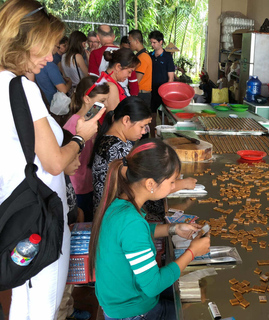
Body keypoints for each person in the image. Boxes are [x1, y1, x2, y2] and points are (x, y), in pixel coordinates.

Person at [0, 1, 105, 319]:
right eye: (44, 50)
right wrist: (80, 137)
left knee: (23, 301)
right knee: (43, 308)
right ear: (23, 44)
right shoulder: (22, 88)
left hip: (17, 213)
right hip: (41, 216)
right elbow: (55, 163)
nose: (50, 59)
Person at [89, 139, 210, 320]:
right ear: (151, 184)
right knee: (198, 309)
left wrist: (173, 229)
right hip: (133, 312)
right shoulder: (131, 222)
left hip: (120, 302)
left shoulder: (120, 204)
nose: (173, 186)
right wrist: (193, 252)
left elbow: (137, 235)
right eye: (172, 182)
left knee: (189, 297)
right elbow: (153, 286)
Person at [63, 75, 110, 222]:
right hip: (78, 187)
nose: (105, 105)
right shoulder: (74, 125)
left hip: (87, 183)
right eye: (101, 101)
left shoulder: (91, 120)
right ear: (87, 98)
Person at [57, 130, 91, 320]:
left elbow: (70, 199)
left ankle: (69, 310)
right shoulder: (52, 182)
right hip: (60, 242)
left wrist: (78, 212)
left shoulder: (65, 176)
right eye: (74, 159)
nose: (79, 163)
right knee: (61, 288)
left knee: (69, 281)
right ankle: (62, 314)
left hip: (70, 234)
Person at [88, 25, 138, 96]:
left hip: (104, 93)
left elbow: (92, 80)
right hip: (123, 94)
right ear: (114, 37)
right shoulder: (126, 54)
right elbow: (133, 82)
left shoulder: (95, 54)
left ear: (98, 38)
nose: (129, 74)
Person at [128, 29, 153, 135]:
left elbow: (136, 80)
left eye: (130, 42)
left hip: (142, 95)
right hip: (142, 95)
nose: (129, 45)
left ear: (136, 41)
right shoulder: (141, 55)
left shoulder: (142, 57)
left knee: (141, 126)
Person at [149, 31, 174, 126]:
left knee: (163, 115)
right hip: (151, 90)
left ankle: (166, 137)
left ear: (161, 42)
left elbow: (170, 78)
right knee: (152, 116)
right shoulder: (149, 56)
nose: (152, 45)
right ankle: (152, 137)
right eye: (151, 42)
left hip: (163, 92)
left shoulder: (168, 57)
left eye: (154, 42)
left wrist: (166, 94)